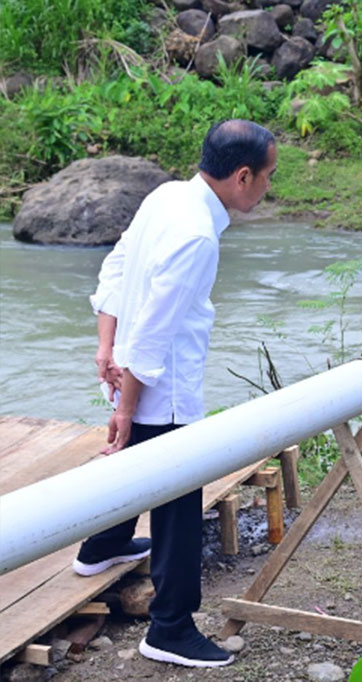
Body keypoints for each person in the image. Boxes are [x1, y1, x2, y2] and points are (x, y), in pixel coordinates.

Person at [73, 119, 277, 667]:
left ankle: (102, 545)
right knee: (179, 502)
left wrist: (104, 349)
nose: (267, 188)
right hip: (159, 385)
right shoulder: (196, 235)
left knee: (133, 458)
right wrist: (126, 404)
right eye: (267, 177)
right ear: (241, 176)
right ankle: (170, 628)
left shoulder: (167, 195)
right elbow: (155, 335)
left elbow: (115, 266)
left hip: (130, 368)